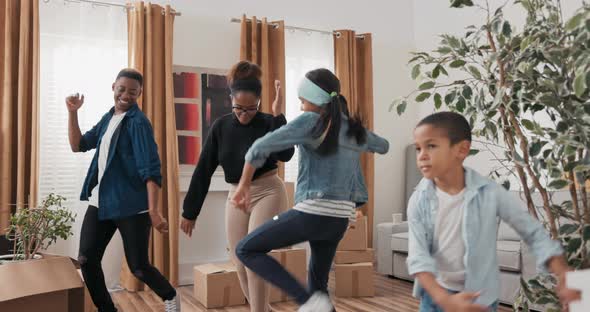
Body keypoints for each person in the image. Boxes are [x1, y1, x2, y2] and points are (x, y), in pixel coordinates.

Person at [230, 68, 389, 312]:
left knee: (246, 248)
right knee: (320, 289)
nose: (302, 107)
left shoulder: (312, 121)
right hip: (339, 221)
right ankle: (314, 301)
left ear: (314, 99)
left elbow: (259, 147)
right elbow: (383, 145)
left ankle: (305, 300)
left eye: (303, 101)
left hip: (314, 212)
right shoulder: (349, 127)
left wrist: (243, 185)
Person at [406, 111, 581, 312]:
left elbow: (533, 233)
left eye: (431, 146)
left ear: (461, 150)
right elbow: (418, 257)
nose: (422, 156)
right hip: (435, 297)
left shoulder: (490, 193)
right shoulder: (419, 200)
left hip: (479, 298)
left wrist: (563, 273)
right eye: (418, 149)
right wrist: (446, 301)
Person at [180, 61, 294, 312]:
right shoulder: (220, 127)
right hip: (236, 194)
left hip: (268, 192)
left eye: (250, 109)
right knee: (240, 263)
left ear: (260, 103)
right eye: (238, 108)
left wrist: (278, 115)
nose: (243, 114)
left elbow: (286, 153)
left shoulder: (268, 122)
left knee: (254, 257)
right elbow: (203, 169)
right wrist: (190, 211)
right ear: (230, 99)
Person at [67, 68, 180, 312]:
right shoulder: (109, 118)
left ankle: (170, 295)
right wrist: (72, 113)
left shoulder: (138, 123)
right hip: (101, 202)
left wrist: (153, 211)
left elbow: (151, 169)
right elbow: (78, 145)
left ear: (139, 93)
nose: (126, 95)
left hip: (131, 206)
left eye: (133, 91)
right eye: (122, 89)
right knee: (86, 259)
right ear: (113, 88)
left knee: (138, 266)